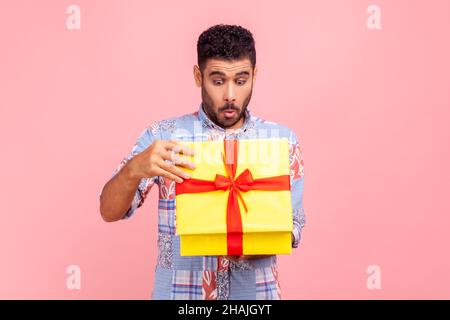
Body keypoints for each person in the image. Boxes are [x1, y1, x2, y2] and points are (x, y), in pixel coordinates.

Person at [99, 24, 306, 300]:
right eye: (218, 81)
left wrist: (259, 239)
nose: (230, 95)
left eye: (241, 80)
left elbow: (295, 224)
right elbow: (109, 211)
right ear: (198, 76)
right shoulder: (164, 136)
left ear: (255, 75)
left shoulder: (281, 140)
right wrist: (134, 168)